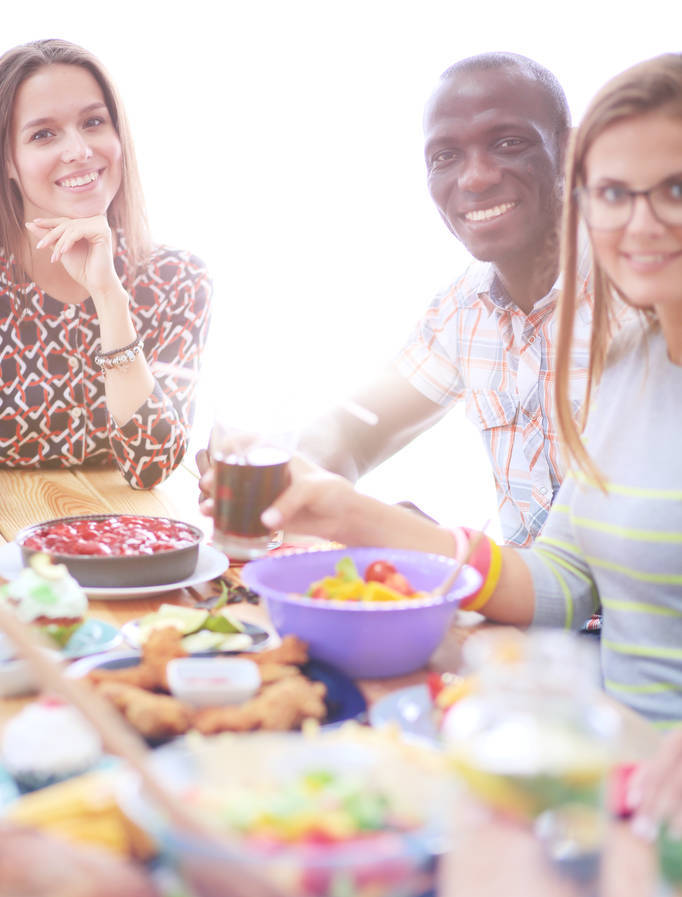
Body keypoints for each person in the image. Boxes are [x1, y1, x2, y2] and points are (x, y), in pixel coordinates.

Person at [260, 53, 682, 826]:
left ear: (566, 152)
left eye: (674, 190)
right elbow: (558, 577)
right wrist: (328, 494)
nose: (641, 223)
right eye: (619, 195)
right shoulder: (625, 364)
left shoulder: (624, 310)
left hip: (609, 704)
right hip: (594, 722)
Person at [198, 51, 590, 546]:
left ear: (572, 151)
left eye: (508, 144)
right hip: (526, 610)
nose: (475, 177)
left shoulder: (644, 297)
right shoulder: (463, 309)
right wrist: (284, 468)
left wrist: (432, 544)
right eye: (445, 157)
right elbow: (354, 429)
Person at [0, 39, 212, 489]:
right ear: (8, 162)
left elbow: (150, 465)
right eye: (43, 134)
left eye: (93, 122)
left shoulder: (178, 280)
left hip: (124, 540)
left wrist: (109, 297)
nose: (79, 150)